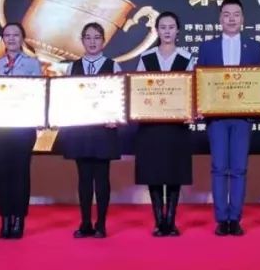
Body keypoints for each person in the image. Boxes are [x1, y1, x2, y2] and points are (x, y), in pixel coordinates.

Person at [196, 0, 260, 236]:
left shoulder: (254, 47)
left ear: (243, 18)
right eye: (227, 14)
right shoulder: (207, 47)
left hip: (242, 118)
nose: (232, 19)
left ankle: (234, 218)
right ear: (220, 19)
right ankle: (221, 219)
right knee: (218, 168)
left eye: (236, 14)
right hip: (216, 117)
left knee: (238, 168)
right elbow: (200, 82)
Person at [133, 12, 195, 237]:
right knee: (154, 173)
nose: (167, 31)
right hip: (151, 127)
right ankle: (159, 221)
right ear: (157, 31)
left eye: (171, 27)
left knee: (174, 173)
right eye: (163, 27)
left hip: (177, 127)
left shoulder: (187, 58)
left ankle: (171, 221)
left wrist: (190, 111)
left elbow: (192, 91)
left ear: (178, 30)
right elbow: (138, 90)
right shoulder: (146, 57)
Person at [60, 22, 123, 239]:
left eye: (97, 37)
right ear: (82, 40)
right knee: (84, 178)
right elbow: (67, 98)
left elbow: (120, 98)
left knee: (102, 178)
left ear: (104, 41)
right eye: (88, 37)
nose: (92, 42)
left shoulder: (113, 66)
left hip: (104, 131)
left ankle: (101, 224)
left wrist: (116, 118)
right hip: (80, 130)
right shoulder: (72, 67)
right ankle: (85, 222)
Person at [0, 22, 43, 240]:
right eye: (7, 35)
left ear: (22, 39)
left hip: (23, 127)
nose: (11, 38)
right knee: (3, 173)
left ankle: (19, 218)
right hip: (0, 127)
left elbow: (38, 95)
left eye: (16, 35)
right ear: (3, 39)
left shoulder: (32, 64)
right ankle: (5, 218)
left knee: (21, 173)